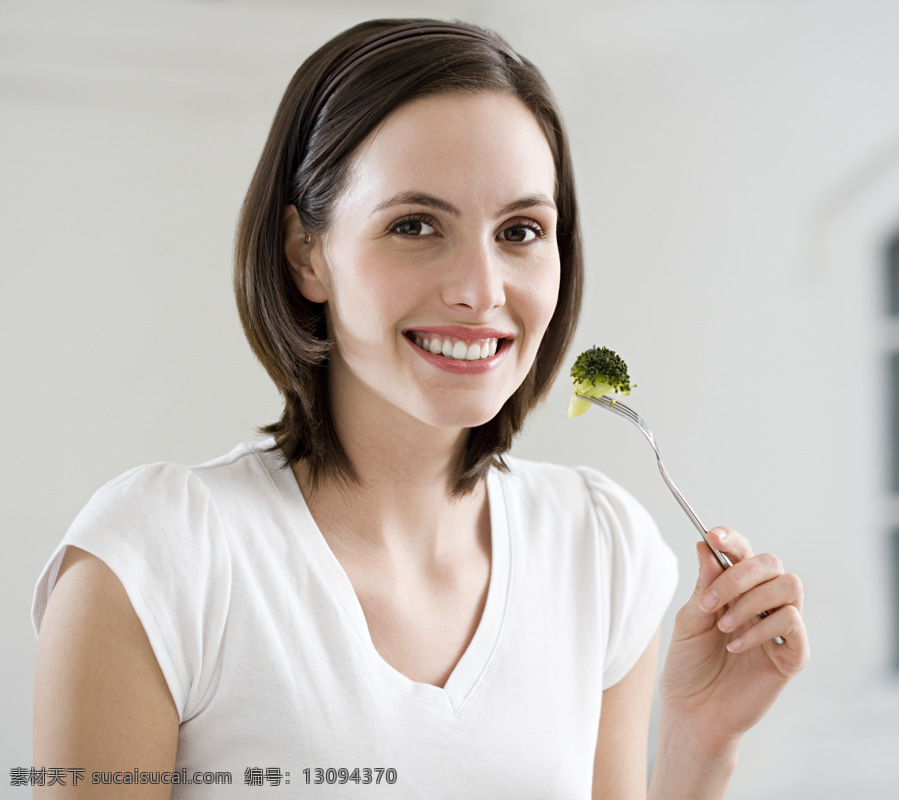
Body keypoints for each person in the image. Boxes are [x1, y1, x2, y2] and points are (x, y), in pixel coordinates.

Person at [32, 19, 808, 799]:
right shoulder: (155, 559)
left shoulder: (602, 551)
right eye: (415, 225)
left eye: (521, 231)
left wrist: (699, 745)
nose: (481, 289)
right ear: (307, 253)